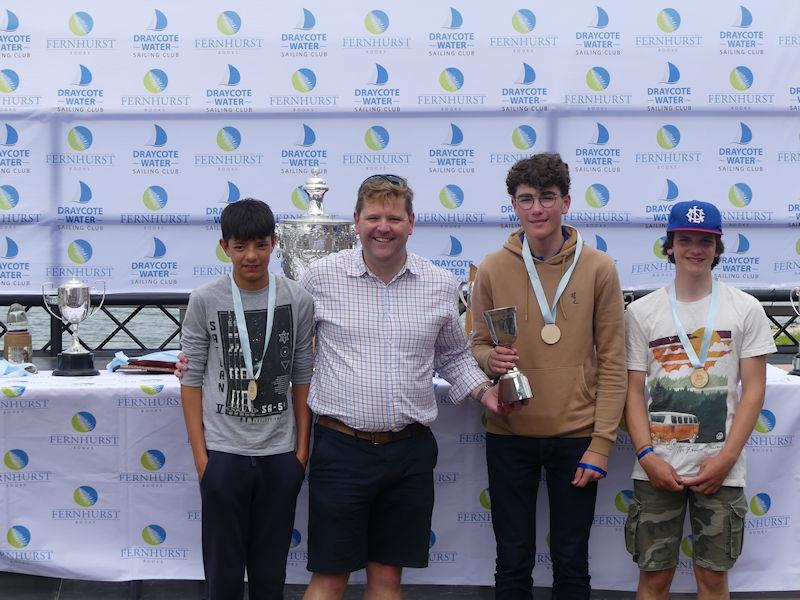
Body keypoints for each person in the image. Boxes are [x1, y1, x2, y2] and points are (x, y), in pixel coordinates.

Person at [299, 174, 508, 600]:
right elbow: (289, 349)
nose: (383, 227)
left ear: (411, 222)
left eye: (393, 217)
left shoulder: (439, 285)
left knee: (388, 577)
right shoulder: (319, 278)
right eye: (373, 216)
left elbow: (452, 355)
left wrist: (486, 392)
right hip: (340, 449)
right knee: (329, 578)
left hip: (408, 452)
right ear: (356, 222)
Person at [470, 153, 627, 600]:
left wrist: (601, 445)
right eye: (526, 199)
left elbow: (614, 361)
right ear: (514, 206)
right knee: (512, 560)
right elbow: (478, 343)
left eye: (547, 198)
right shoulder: (491, 268)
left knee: (572, 559)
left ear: (566, 202)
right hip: (509, 430)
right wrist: (490, 362)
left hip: (576, 436)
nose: (537, 208)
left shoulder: (599, 267)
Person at [623, 200, 775, 600]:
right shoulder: (641, 312)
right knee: (654, 579)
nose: (695, 248)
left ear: (717, 247)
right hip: (657, 470)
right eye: (685, 239)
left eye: (705, 240)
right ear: (669, 245)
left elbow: (754, 390)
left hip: (722, 470)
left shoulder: (746, 309)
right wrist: (646, 456)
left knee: (712, 578)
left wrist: (725, 458)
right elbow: (632, 390)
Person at [179, 198, 314, 600]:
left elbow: (302, 376)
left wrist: (300, 453)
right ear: (225, 247)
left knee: (270, 573)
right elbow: (191, 378)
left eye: (260, 244)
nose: (251, 256)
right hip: (223, 453)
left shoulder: (297, 300)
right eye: (240, 246)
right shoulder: (205, 299)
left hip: (280, 454)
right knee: (221, 574)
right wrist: (203, 459)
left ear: (275, 243)